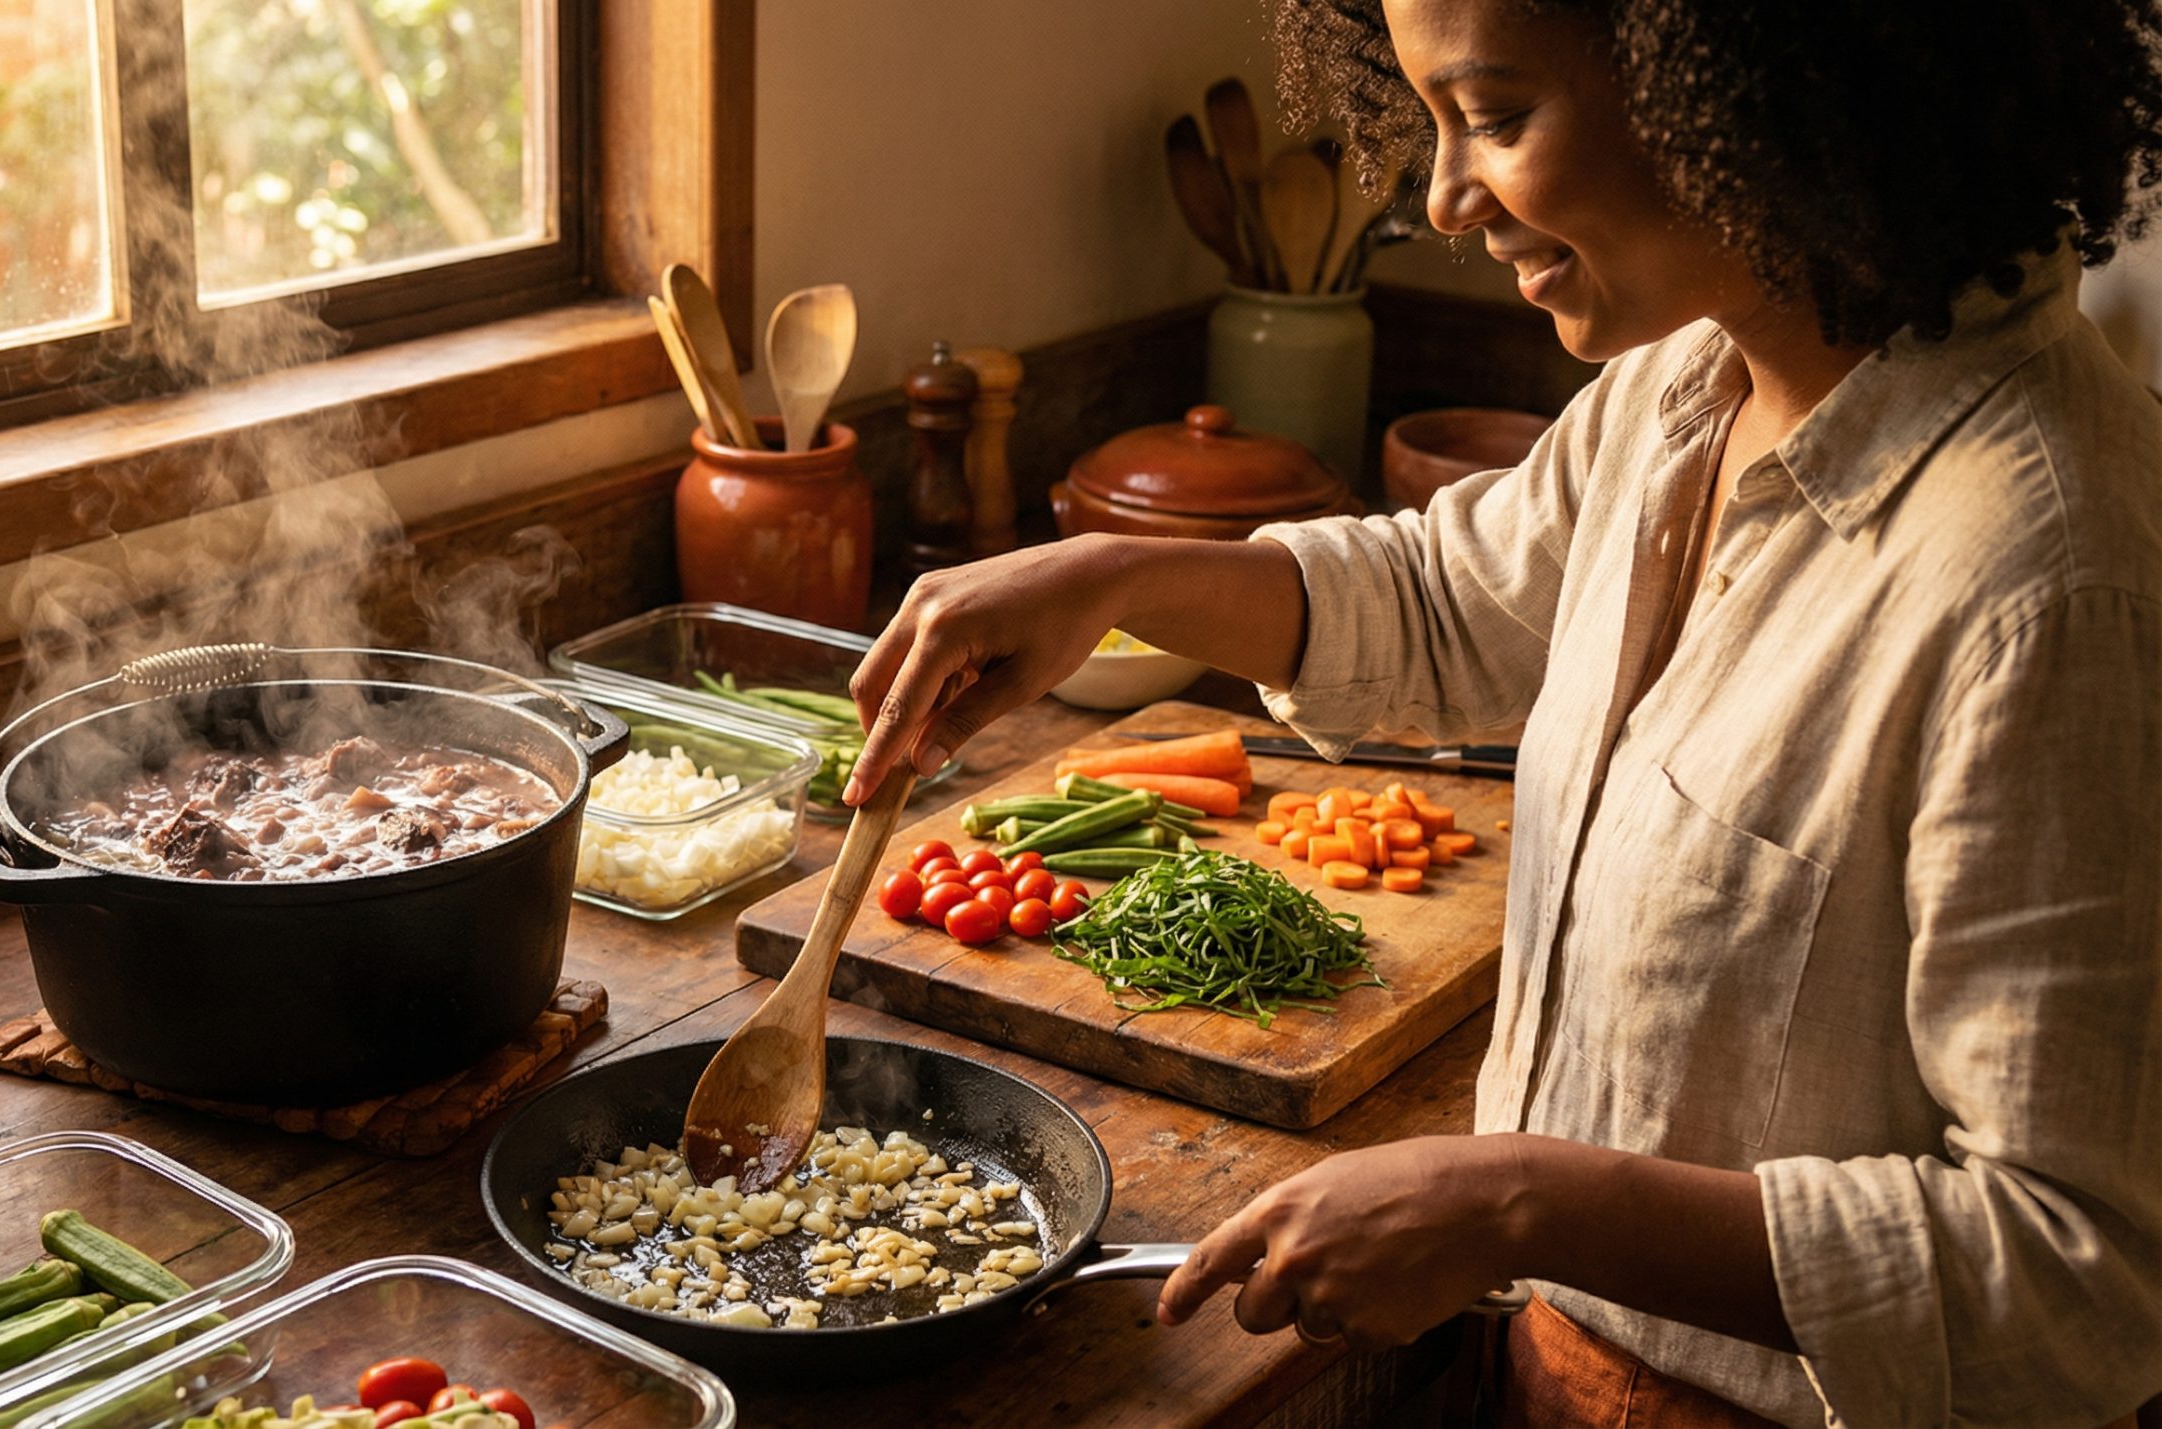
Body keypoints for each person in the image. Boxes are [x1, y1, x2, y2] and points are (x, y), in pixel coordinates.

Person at [840, 0, 2162, 1422]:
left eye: (1496, 117)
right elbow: (1451, 597)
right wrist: (1114, 576)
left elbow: (2083, 1269)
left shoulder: (2050, 578)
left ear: (1750, 96)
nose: (1444, 198)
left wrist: (1522, 1201)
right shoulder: (1692, 381)